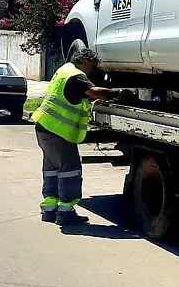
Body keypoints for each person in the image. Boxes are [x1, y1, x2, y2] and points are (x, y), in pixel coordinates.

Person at [32, 48, 123, 226]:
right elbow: (96, 92)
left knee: (52, 169)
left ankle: (49, 209)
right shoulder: (77, 76)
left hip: (44, 127)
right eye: (93, 65)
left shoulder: (64, 70)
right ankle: (66, 212)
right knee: (69, 170)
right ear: (85, 62)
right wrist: (118, 93)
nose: (95, 70)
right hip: (59, 131)